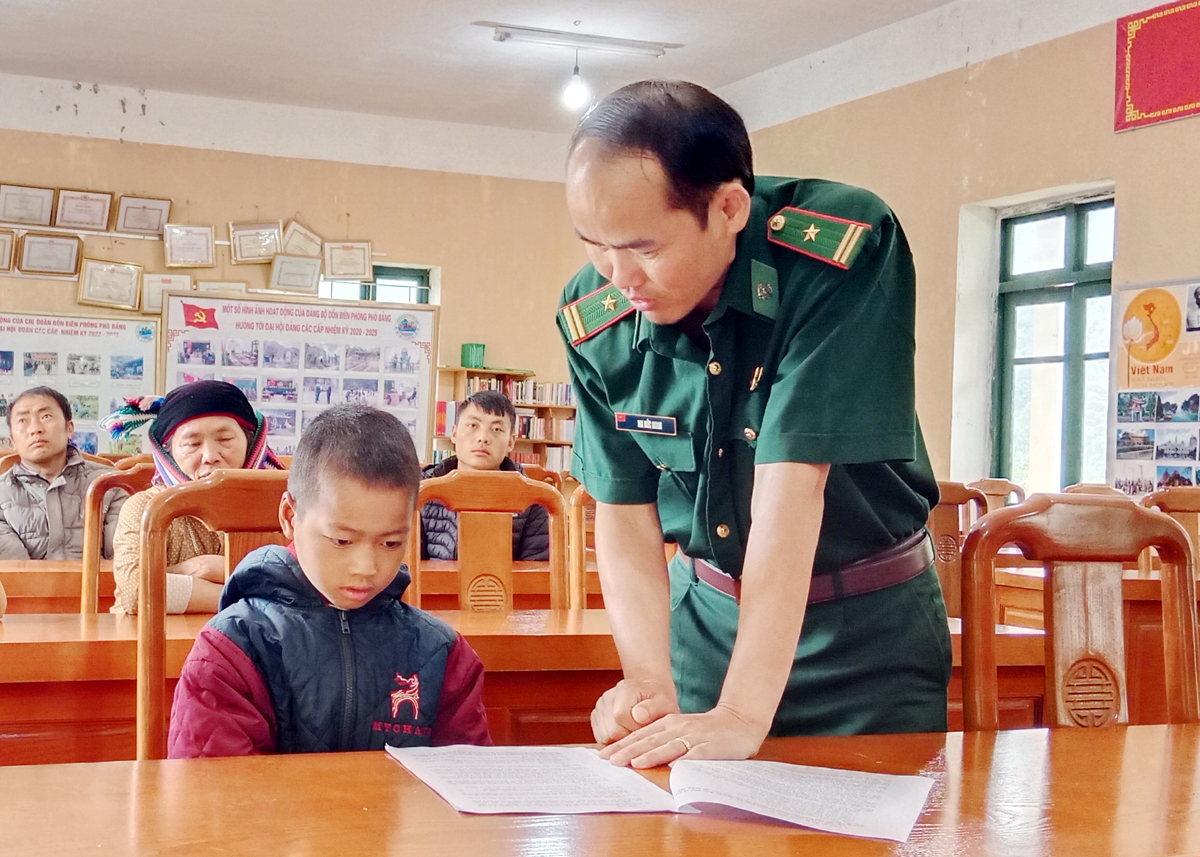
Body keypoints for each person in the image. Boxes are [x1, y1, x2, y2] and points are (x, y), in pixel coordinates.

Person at [557, 81, 948, 768]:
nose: (619, 277)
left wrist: (741, 713)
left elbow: (794, 483)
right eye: (595, 245)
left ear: (729, 207)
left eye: (644, 248)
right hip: (707, 626)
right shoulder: (597, 315)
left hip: (864, 641)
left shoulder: (840, 249)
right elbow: (621, 508)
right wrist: (650, 679)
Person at [167, 405, 491, 756]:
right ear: (290, 517)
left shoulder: (442, 653)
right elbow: (213, 800)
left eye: (391, 542)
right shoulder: (231, 651)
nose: (366, 567)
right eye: (341, 540)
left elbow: (463, 789)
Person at [100, 380, 285, 614]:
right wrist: (253, 596)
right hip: (153, 644)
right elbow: (137, 592)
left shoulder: (283, 506)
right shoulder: (146, 508)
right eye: (192, 443)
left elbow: (307, 587)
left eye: (225, 439)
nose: (210, 456)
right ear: (168, 452)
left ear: (250, 441)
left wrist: (181, 572)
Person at [420, 390, 550, 561]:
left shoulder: (533, 499)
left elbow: (536, 574)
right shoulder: (423, 491)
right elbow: (408, 569)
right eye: (473, 426)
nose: (483, 438)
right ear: (454, 433)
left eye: (496, 429)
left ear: (511, 442)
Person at [0, 386, 126, 560]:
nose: (35, 428)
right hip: (25, 587)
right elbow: (15, 574)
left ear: (69, 429)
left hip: (100, 586)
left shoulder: (110, 484)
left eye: (45, 416)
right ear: (13, 439)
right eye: (23, 421)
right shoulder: (2, 493)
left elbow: (122, 562)